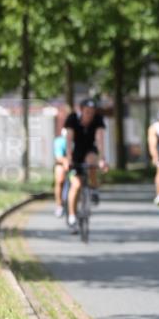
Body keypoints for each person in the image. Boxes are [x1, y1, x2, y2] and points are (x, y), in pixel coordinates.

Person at [64, 98, 109, 232]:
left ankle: (94, 188)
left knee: (92, 162)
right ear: (81, 110)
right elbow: (69, 140)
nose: (90, 114)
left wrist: (102, 159)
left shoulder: (98, 119)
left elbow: (100, 139)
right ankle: (72, 216)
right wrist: (68, 158)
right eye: (87, 111)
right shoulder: (72, 118)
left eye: (92, 112)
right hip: (76, 152)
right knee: (76, 185)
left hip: (90, 149)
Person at [52, 128, 69, 218]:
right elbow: (59, 156)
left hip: (75, 162)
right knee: (59, 179)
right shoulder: (60, 141)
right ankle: (59, 205)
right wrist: (65, 162)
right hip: (63, 162)